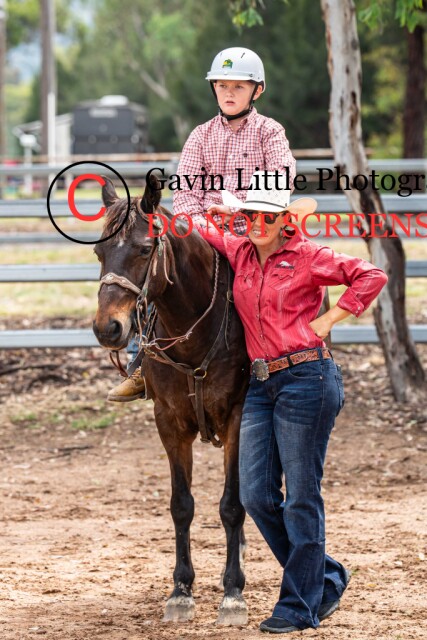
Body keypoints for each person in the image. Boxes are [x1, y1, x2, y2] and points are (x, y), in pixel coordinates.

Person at [193, 171, 388, 633]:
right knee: (255, 494)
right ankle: (324, 576)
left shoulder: (309, 256)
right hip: (261, 386)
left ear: (285, 220)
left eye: (268, 215)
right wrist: (221, 213)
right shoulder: (239, 250)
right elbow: (196, 225)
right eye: (251, 214)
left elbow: (371, 275)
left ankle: (299, 606)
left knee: (301, 496)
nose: (258, 222)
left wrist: (331, 319)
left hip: (307, 380)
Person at [107, 46, 296, 402]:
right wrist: (198, 229)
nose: (228, 93)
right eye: (222, 85)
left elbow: (280, 179)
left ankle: (280, 360)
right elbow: (186, 193)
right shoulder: (201, 135)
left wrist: (239, 211)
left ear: (257, 90)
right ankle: (142, 362)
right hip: (203, 231)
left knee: (274, 282)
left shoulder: (269, 132)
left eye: (238, 86)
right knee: (159, 271)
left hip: (254, 227)